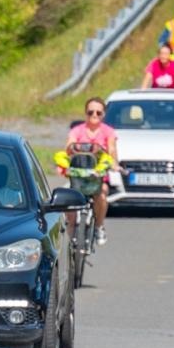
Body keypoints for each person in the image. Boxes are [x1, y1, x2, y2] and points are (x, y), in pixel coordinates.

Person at [65, 96, 119, 245]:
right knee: (68, 202)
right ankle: (69, 238)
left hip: (98, 176)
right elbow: (69, 147)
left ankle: (99, 226)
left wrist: (114, 163)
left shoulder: (108, 132)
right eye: (90, 112)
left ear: (103, 114)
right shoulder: (77, 131)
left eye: (98, 113)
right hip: (79, 176)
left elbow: (112, 150)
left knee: (102, 193)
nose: (94, 115)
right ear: (85, 113)